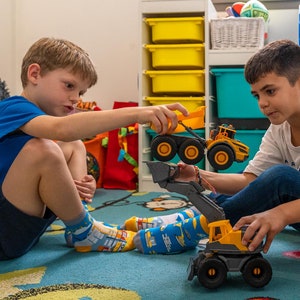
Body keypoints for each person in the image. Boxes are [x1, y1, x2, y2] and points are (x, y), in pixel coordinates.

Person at [0, 37, 189, 260]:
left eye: (81, 92)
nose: (75, 99)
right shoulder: (11, 107)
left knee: (73, 145)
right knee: (45, 150)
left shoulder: (38, 117)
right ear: (34, 75)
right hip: (4, 235)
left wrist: (73, 187)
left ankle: (79, 223)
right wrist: (139, 113)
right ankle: (85, 231)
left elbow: (68, 137)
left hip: (20, 226)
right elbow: (63, 129)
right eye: (69, 86)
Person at [122, 39, 300, 255]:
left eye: (270, 91)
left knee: (279, 177)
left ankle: (191, 231)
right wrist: (199, 176)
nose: (262, 103)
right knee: (256, 186)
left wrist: (280, 214)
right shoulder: (279, 127)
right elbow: (250, 181)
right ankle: (186, 218)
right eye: (257, 95)